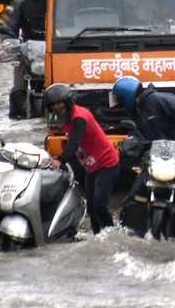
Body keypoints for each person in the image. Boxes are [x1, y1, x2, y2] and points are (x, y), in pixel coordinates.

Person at [111, 76, 175, 215]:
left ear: (127, 96)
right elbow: (136, 132)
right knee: (133, 197)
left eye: (121, 100)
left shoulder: (162, 99)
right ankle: (127, 222)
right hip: (153, 156)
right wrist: (130, 144)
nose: (121, 105)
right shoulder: (137, 111)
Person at [44, 83, 119, 234]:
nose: (59, 109)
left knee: (99, 204)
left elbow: (74, 143)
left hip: (107, 163)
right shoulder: (67, 118)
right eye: (55, 106)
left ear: (68, 103)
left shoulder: (79, 118)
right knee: (90, 206)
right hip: (91, 165)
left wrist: (60, 160)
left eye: (61, 105)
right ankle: (98, 236)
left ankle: (112, 234)